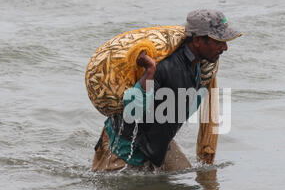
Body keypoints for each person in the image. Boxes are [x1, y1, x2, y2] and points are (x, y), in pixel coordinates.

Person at [92, 9, 242, 172]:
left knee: (186, 180)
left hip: (156, 142)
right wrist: (149, 71)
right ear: (198, 40)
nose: (225, 47)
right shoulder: (165, 67)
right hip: (123, 146)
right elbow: (131, 110)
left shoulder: (201, 67)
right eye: (219, 41)